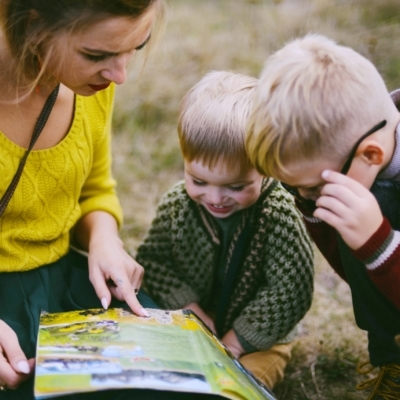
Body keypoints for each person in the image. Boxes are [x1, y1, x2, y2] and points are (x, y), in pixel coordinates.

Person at [0, 1, 175, 398]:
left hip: (70, 287)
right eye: (96, 55)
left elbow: (95, 188)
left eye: (138, 46)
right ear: (31, 25)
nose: (120, 75)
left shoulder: (92, 86)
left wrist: (104, 240)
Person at [136, 70, 314, 390]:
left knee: (242, 383)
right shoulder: (179, 205)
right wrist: (189, 310)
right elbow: (156, 262)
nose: (215, 198)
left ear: (267, 166)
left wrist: (236, 341)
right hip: (195, 327)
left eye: (235, 186)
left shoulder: (277, 214)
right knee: (163, 378)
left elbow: (290, 290)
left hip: (260, 339)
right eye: (199, 181)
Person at [246, 34, 400, 399]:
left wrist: (379, 244)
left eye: (313, 188)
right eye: (292, 187)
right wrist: (315, 211)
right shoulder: (357, 172)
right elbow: (354, 270)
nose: (306, 197)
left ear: (371, 155)